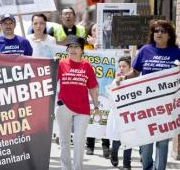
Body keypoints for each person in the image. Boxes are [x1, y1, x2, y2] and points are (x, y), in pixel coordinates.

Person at [117, 19, 180, 170]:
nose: (159, 33)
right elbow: (135, 72)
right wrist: (123, 78)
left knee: (162, 141)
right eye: (156, 31)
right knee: (146, 140)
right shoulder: (145, 50)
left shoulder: (176, 52)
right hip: (146, 104)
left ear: (169, 35)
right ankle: (147, 167)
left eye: (163, 31)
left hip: (167, 105)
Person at [56, 35, 99, 170]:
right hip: (64, 106)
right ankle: (65, 168)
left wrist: (96, 105)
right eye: (70, 47)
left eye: (76, 47)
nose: (73, 50)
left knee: (79, 140)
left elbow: (92, 87)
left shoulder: (87, 66)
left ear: (82, 50)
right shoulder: (60, 64)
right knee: (64, 141)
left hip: (82, 108)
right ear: (67, 49)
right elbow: (49, 81)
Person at [84, 23, 110, 157]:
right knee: (90, 115)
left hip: (104, 87)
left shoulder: (108, 46)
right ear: (90, 32)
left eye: (99, 30)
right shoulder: (85, 48)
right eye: (94, 30)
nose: (96, 32)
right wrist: (93, 47)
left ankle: (106, 145)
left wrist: (98, 46)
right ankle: (90, 145)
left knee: (105, 115)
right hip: (90, 86)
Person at [106, 56, 133, 170]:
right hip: (117, 114)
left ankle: (127, 163)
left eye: (124, 66)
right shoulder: (115, 81)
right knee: (117, 139)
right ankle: (114, 153)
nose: (121, 68)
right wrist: (117, 84)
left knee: (129, 139)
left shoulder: (134, 80)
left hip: (130, 114)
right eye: (120, 66)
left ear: (130, 68)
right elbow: (111, 98)